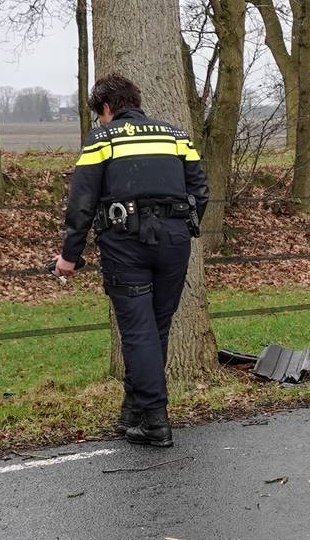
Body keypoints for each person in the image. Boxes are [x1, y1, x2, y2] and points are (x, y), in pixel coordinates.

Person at [55, 74, 208, 448]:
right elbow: (200, 192)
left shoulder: (101, 139)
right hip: (174, 241)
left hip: (126, 242)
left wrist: (69, 256)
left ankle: (156, 421)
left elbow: (82, 203)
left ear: (106, 108)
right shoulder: (176, 136)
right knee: (155, 329)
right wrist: (180, 230)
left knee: (138, 332)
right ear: (135, 102)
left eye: (100, 114)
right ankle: (133, 412)